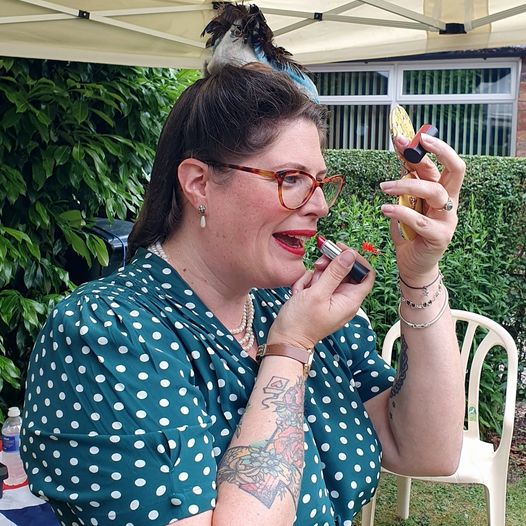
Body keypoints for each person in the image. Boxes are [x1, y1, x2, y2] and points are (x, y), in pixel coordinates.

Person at [20, 63, 465, 526]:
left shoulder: (292, 304)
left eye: (319, 182)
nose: (318, 206)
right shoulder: (107, 332)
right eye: (290, 178)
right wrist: (290, 350)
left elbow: (426, 451)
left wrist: (419, 273)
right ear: (199, 184)